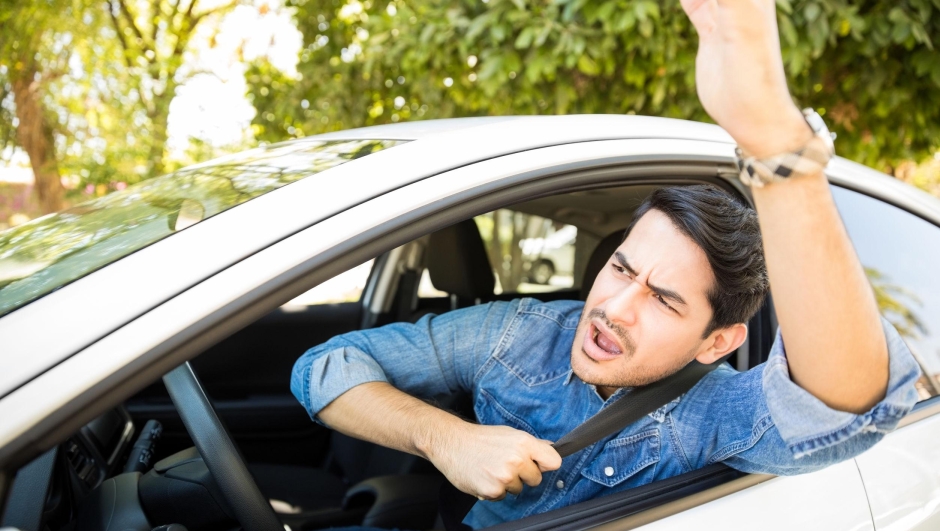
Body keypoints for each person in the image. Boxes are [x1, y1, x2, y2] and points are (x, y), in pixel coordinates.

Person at [290, 0, 921, 528]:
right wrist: (445, 437)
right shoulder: (518, 334)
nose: (614, 308)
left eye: (665, 299)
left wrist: (774, 143)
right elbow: (324, 367)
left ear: (718, 342)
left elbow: (847, 410)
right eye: (622, 269)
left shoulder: (713, 415)